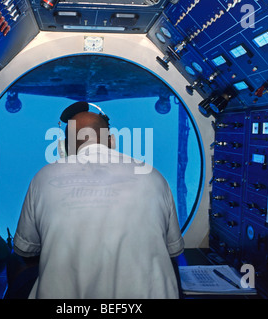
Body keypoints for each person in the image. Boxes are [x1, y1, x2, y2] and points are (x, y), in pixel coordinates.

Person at [11, 101, 184, 299]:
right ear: (112, 141)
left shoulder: (43, 178)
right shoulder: (154, 176)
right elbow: (174, 250)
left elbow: (25, 251)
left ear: (63, 148)